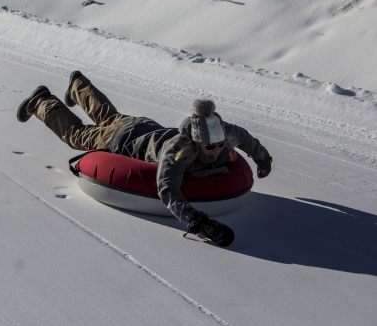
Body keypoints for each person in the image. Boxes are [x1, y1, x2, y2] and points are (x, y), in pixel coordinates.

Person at [17, 71, 272, 247]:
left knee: (109, 116)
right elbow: (167, 188)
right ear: (195, 141)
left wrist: (263, 160)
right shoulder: (178, 152)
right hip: (121, 140)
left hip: (142, 125)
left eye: (219, 145)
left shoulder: (223, 132)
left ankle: (78, 84)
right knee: (77, 134)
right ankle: (42, 101)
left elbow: (247, 139)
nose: (216, 150)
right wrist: (198, 222)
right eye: (209, 147)